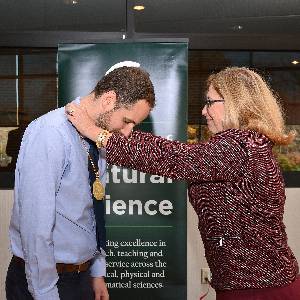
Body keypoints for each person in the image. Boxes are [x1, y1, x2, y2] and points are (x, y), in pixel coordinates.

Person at [66, 67, 300, 299]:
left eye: (210, 102)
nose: (204, 111)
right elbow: (177, 155)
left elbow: (176, 158)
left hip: (260, 288)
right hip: (250, 282)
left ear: (236, 102)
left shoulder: (240, 146)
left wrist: (94, 131)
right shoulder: (246, 144)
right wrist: (119, 133)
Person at [6, 65, 155, 300]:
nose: (127, 132)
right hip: (44, 282)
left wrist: (96, 272)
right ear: (108, 100)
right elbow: (35, 224)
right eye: (127, 121)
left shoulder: (98, 138)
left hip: (80, 277)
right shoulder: (51, 132)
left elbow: (90, 212)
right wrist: (45, 293)